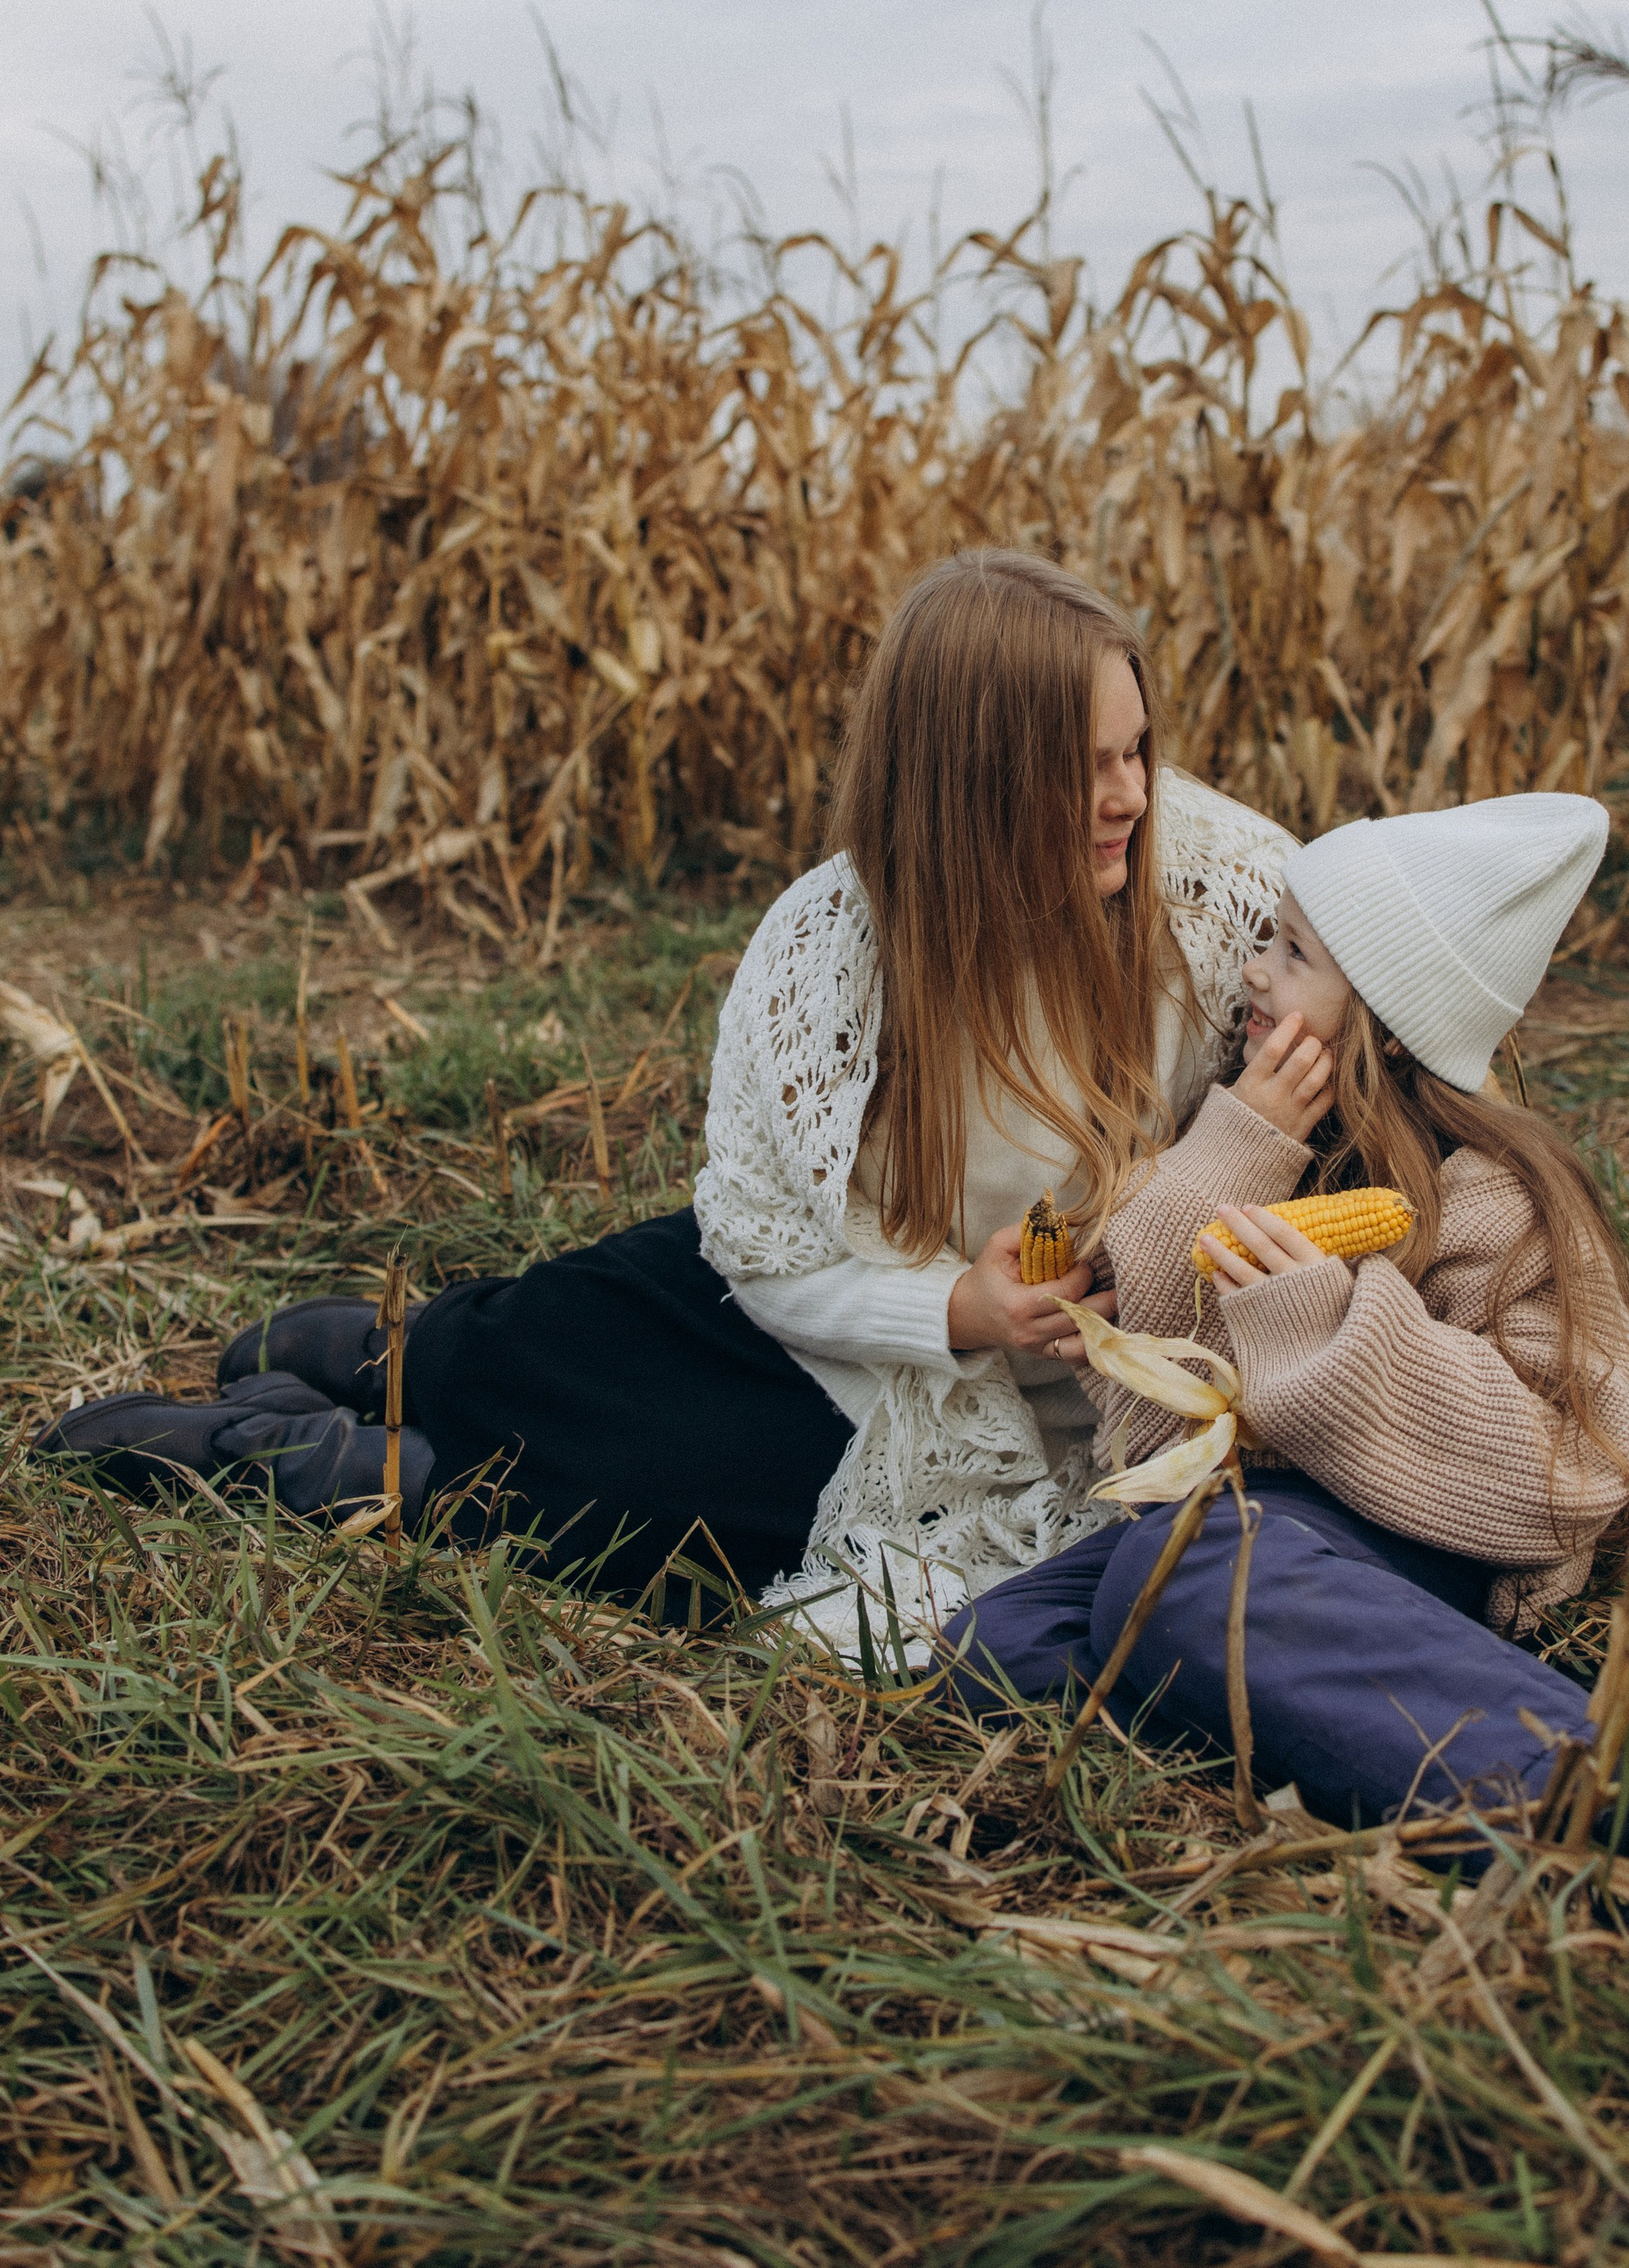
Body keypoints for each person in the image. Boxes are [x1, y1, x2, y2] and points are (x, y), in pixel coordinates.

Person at [37, 550, 1299, 1630]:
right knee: (624, 1297)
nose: (1132, 797)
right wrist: (954, 1308)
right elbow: (765, 1253)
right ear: (970, 786)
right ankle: (413, 1356)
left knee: (657, 1503)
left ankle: (328, 1466)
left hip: (1040, 1420)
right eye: (1089, 768)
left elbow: (1392, 973)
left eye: (1139, 752)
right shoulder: (829, 954)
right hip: (854, 1310)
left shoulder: (1223, 895)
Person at [942, 794, 1629, 1905]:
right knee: (999, 1641)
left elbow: (1583, 1462)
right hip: (1262, 1527)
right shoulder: (1278, 1141)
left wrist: (1328, 1334)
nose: (1256, 971)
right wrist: (1204, 1196)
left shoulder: (1499, 1194)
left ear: (1391, 1017)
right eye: (1270, 938)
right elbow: (1164, 1437)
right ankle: (1399, 1722)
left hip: (1430, 1535)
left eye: (1295, 952)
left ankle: (1615, 1804)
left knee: (1181, 1583)